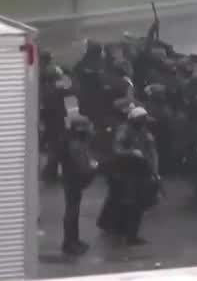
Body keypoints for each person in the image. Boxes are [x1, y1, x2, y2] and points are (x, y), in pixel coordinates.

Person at [108, 106, 159, 247]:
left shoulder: (143, 132)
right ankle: (129, 235)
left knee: (133, 204)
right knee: (131, 204)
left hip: (140, 171)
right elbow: (117, 149)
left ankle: (126, 232)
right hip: (126, 172)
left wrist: (154, 171)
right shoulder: (124, 130)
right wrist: (131, 152)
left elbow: (151, 151)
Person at [59, 115, 98, 256]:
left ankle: (73, 241)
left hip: (71, 180)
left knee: (73, 211)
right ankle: (70, 243)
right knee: (72, 212)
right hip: (72, 181)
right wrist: (93, 168)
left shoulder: (75, 142)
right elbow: (82, 166)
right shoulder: (76, 145)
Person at [39, 51, 72, 182]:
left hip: (51, 122)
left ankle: (50, 172)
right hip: (57, 122)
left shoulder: (45, 88)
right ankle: (49, 173)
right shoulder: (56, 90)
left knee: (56, 147)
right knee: (58, 147)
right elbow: (72, 92)